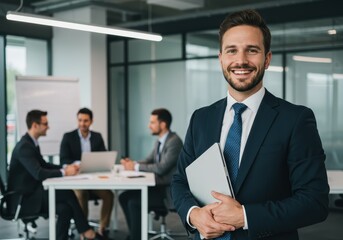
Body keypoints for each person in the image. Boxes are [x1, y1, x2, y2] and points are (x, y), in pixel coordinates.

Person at [171, 9, 329, 240]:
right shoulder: (201, 118)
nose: (241, 60)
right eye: (232, 50)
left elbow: (314, 202)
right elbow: (180, 181)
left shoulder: (295, 119)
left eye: (252, 50)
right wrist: (194, 215)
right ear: (221, 58)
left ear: (267, 59)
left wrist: (245, 216)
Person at [7, 110, 103, 240]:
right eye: (45, 124)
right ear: (35, 125)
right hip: (23, 199)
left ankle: (78, 233)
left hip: (32, 194)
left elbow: (44, 165)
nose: (48, 127)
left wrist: (66, 168)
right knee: (68, 193)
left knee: (65, 209)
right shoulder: (25, 146)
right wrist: (64, 172)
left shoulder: (31, 143)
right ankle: (87, 231)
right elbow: (39, 173)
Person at [119, 108, 183, 240]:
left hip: (167, 192)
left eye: (152, 122)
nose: (149, 125)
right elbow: (149, 160)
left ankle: (136, 237)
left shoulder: (174, 142)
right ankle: (134, 234)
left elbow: (161, 168)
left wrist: (135, 167)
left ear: (163, 124)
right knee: (123, 197)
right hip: (157, 186)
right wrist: (132, 163)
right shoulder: (160, 141)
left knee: (133, 202)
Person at [59, 107, 114, 236]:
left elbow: (103, 155)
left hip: (94, 178)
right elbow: (63, 159)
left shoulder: (97, 137)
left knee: (109, 195)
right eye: (80, 120)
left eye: (86, 121)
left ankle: (102, 228)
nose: (82, 124)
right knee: (82, 194)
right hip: (77, 178)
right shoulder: (68, 137)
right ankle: (84, 230)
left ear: (91, 121)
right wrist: (79, 164)